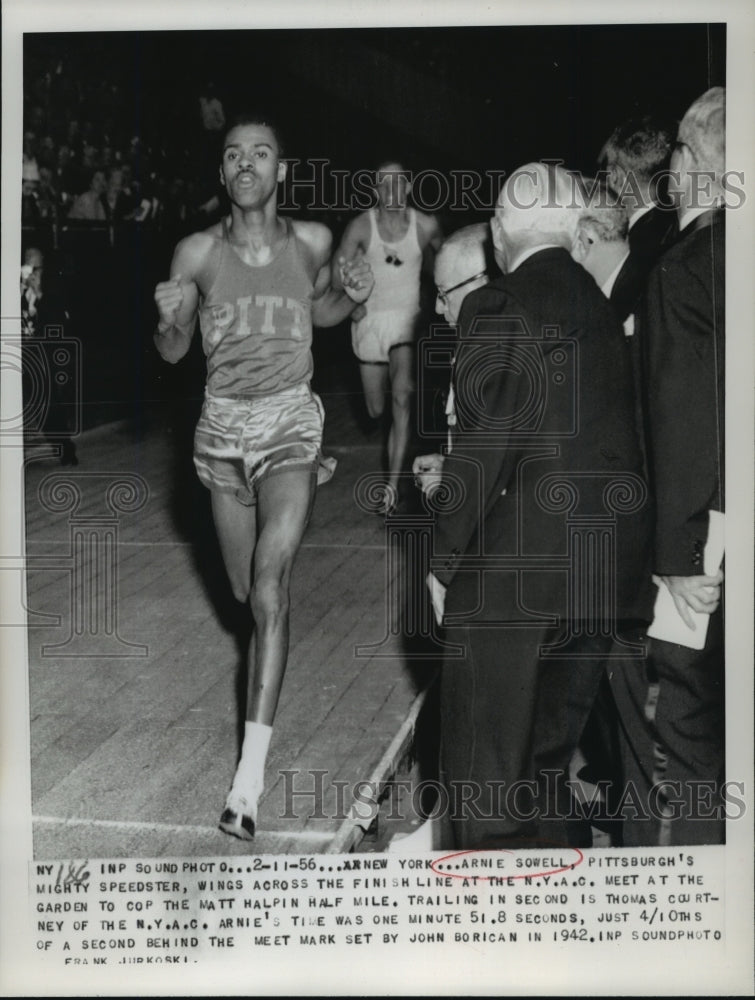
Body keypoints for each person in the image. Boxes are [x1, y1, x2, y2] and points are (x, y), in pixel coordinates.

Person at [153, 115, 374, 840]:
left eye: (261, 153)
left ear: (281, 170)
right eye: (232, 155)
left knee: (273, 589)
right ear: (221, 175)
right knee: (248, 594)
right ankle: (301, 482)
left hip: (287, 421)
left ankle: (245, 787)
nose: (246, 164)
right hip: (220, 432)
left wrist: (353, 292)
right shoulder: (196, 252)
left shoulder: (310, 241)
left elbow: (328, 313)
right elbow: (172, 352)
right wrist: (169, 321)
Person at [428, 163, 653, 849]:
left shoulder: (496, 304)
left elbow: (482, 447)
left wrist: (442, 561)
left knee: (488, 788)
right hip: (601, 578)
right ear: (569, 226)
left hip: (519, 581)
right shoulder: (599, 299)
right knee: (547, 769)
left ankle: (494, 936)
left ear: (499, 231)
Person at [610, 88, 726, 846]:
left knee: (687, 717)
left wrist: (681, 553)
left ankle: (702, 905)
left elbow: (682, 419)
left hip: (707, 530)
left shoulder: (682, 267)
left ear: (689, 164)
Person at [335, 162, 442, 510]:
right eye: (384, 184)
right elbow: (335, 277)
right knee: (376, 408)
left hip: (406, 324)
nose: (392, 191)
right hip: (370, 324)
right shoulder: (361, 227)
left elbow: (449, 258)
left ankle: (391, 488)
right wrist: (351, 305)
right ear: (376, 190)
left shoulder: (425, 225)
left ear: (409, 187)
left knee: (401, 398)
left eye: (398, 184)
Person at [20, 247, 78, 466]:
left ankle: (65, 449)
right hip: (19, 354)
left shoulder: (53, 289)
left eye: (36, 267)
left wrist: (40, 294)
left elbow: (58, 323)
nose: (31, 271)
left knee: (47, 406)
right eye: (27, 265)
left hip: (42, 356)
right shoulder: (15, 286)